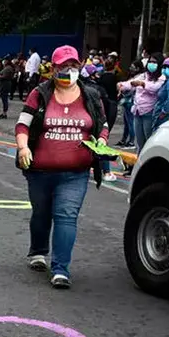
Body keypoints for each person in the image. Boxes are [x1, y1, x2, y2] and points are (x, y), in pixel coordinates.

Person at [15, 45, 108, 289]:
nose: (69, 70)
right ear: (53, 69)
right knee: (41, 214)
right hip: (40, 171)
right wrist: (23, 147)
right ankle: (38, 251)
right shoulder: (40, 93)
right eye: (63, 66)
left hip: (75, 173)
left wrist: (101, 141)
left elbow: (103, 125)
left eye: (73, 65)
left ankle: (61, 269)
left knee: (66, 216)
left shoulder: (91, 96)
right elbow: (23, 124)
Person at [118, 52, 165, 155]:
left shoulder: (162, 77)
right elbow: (131, 83)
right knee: (139, 142)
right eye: (150, 61)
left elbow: (155, 88)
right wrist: (122, 85)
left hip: (149, 112)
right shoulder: (144, 75)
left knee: (148, 141)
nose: (151, 64)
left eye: (155, 62)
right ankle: (139, 164)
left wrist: (142, 84)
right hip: (138, 111)